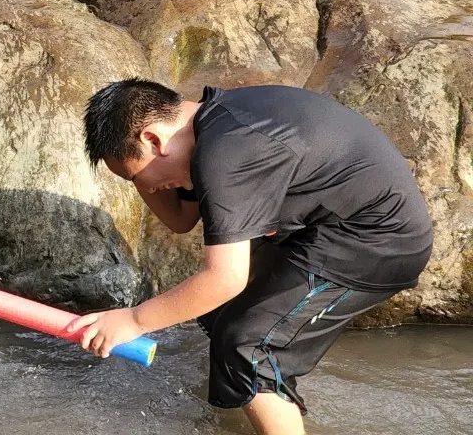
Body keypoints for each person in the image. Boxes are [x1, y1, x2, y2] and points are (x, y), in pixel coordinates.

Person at [73, 79, 432, 435]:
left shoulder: (226, 152)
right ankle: (259, 401)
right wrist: (141, 174)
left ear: (153, 139)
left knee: (248, 342)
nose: (147, 188)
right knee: (220, 314)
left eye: (137, 177)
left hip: (378, 241)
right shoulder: (213, 126)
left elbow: (225, 278)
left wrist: (133, 320)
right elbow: (180, 220)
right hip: (328, 226)